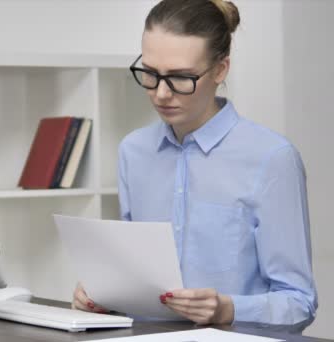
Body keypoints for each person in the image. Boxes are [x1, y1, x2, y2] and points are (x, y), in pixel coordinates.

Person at [72, 0, 318, 330]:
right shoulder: (133, 152)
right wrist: (102, 296)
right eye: (150, 73)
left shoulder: (272, 159)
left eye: (181, 78)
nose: (161, 93)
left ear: (221, 69)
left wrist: (227, 309)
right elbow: (132, 280)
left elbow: (299, 302)